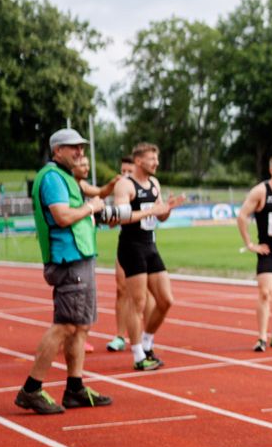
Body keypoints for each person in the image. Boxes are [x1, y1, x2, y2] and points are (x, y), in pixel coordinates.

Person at [16, 129, 113, 414]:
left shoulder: (65, 178)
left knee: (80, 326)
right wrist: (90, 207)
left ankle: (75, 388)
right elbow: (61, 217)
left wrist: (95, 211)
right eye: (74, 148)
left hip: (79, 257)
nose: (80, 153)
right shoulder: (53, 178)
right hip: (68, 261)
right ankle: (31, 389)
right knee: (66, 325)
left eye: (82, 148)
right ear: (57, 151)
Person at [110, 144, 185, 370]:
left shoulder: (154, 183)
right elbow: (120, 217)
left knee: (166, 300)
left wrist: (167, 208)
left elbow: (159, 216)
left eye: (157, 158)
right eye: (153, 159)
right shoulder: (125, 185)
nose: (157, 163)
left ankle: (147, 342)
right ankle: (137, 356)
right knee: (138, 303)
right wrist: (150, 211)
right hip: (131, 246)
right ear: (139, 161)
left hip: (150, 245)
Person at [236, 155, 272, 351]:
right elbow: (242, 216)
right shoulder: (261, 191)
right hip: (267, 250)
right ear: (271, 170)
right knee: (265, 292)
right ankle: (261, 337)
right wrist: (251, 244)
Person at [104, 157, 136, 351]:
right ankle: (120, 336)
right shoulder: (121, 191)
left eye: (129, 172)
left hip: (144, 246)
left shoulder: (146, 188)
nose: (125, 175)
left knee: (142, 295)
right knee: (121, 289)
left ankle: (142, 336)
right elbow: (112, 223)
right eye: (122, 171)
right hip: (125, 244)